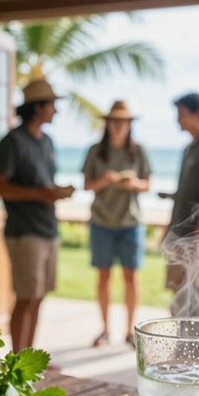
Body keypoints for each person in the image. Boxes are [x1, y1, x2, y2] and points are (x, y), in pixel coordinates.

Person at [0, 78, 74, 354]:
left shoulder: (47, 141)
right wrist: (40, 194)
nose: (55, 111)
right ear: (37, 107)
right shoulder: (12, 142)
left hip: (48, 228)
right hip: (24, 232)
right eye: (51, 105)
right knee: (25, 297)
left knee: (38, 297)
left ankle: (29, 357)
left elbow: (44, 184)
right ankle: (16, 361)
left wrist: (54, 193)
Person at [81, 100, 151, 347]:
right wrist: (104, 180)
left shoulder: (138, 151)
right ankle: (104, 329)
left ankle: (131, 331)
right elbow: (87, 184)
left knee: (131, 277)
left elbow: (147, 183)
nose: (119, 126)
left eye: (123, 122)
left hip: (130, 222)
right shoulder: (95, 151)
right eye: (115, 121)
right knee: (104, 276)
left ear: (129, 125)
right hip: (101, 222)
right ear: (108, 123)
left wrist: (133, 184)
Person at [159, 92, 199, 299]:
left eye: (181, 113)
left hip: (195, 232)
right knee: (176, 287)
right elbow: (188, 192)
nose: (178, 119)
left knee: (192, 289)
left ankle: (190, 331)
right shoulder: (188, 149)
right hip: (179, 228)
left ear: (197, 114)